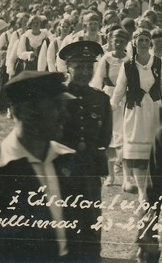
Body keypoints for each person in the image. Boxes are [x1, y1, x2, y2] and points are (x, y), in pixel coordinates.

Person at [0, 72, 93, 263]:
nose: (64, 113)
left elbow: (89, 237)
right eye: (55, 106)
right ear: (26, 112)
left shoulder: (70, 161)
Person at [57, 40, 112, 262]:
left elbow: (104, 138)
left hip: (89, 169)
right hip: (61, 169)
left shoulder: (100, 99)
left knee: (90, 220)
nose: (84, 72)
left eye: (89, 67)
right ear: (67, 68)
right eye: (79, 66)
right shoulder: (57, 98)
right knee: (63, 220)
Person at [110, 28, 162, 200]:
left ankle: (152, 188)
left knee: (153, 152)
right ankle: (142, 192)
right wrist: (112, 106)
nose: (143, 43)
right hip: (135, 112)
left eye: (146, 40)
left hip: (153, 111)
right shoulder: (127, 65)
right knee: (137, 155)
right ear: (135, 43)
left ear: (150, 43)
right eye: (140, 40)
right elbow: (120, 90)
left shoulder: (158, 63)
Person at [89, 28, 131, 187]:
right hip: (108, 98)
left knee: (125, 137)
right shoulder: (105, 59)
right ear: (111, 42)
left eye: (122, 41)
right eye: (116, 41)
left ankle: (127, 177)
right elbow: (98, 80)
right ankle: (110, 175)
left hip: (125, 100)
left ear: (126, 43)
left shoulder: (129, 60)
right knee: (109, 136)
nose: (119, 43)